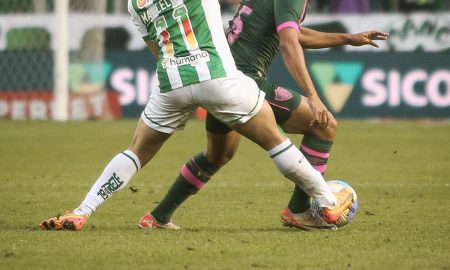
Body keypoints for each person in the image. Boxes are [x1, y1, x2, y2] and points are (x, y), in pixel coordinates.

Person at [39, 0, 353, 231]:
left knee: (135, 152)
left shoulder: (135, 5)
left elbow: (156, 49)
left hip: (172, 81)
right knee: (275, 140)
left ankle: (83, 210)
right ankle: (326, 202)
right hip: (219, 78)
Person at [143, 0, 388, 231]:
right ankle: (300, 210)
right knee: (324, 126)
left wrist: (348, 38)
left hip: (221, 78)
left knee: (217, 155)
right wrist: (312, 95)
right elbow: (288, 43)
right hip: (245, 82)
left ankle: (158, 217)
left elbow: (295, 34)